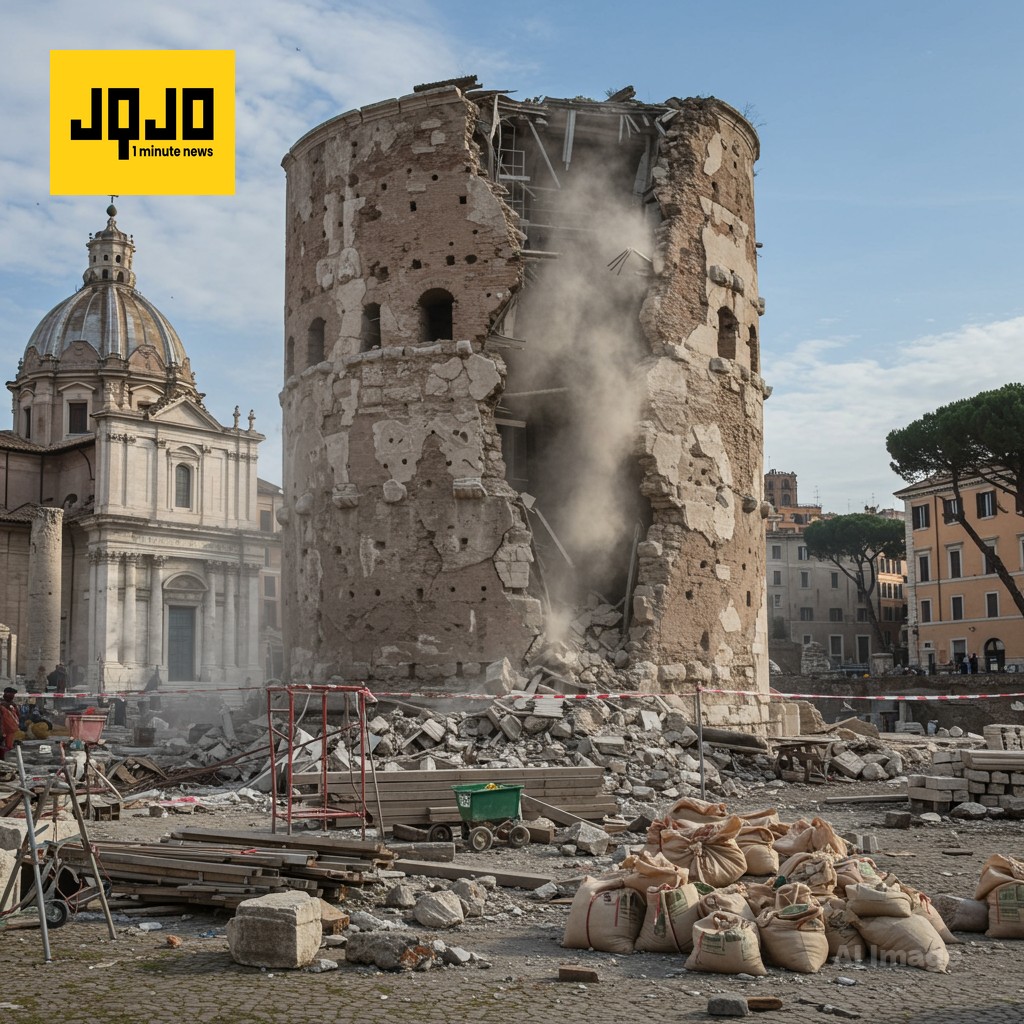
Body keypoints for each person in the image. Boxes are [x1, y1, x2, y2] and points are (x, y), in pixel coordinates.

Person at [0, 686, 20, 760]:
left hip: (11, 730)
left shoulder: (13, 705)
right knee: (3, 746)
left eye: (13, 694)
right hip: (4, 729)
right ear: (6, 694)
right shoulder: (2, 705)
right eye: (11, 694)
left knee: (8, 747)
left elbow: (17, 715)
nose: (13, 696)